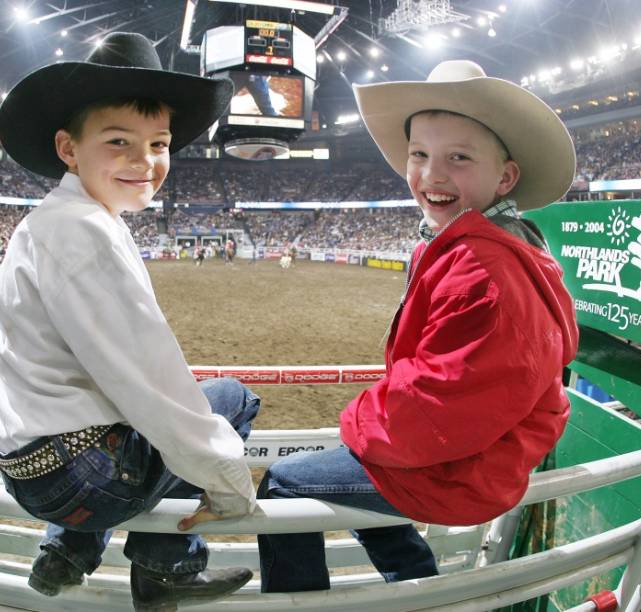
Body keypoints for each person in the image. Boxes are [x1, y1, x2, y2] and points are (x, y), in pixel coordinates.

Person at [245, 60, 580, 593]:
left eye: (459, 158)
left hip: (463, 467)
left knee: (286, 483)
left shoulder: (482, 269)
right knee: (361, 460)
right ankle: (416, 583)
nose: (432, 175)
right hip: (479, 453)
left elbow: (440, 405)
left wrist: (359, 417)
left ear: (505, 176)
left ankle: (302, 604)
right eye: (419, 155)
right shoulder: (497, 248)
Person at [0, 32, 260, 611]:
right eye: (118, 142)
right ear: (68, 148)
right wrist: (229, 481)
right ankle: (165, 569)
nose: (146, 162)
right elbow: (152, 383)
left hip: (27, 467)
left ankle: (68, 553)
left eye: (159, 144)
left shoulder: (47, 224)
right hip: (83, 477)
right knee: (231, 400)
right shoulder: (85, 233)